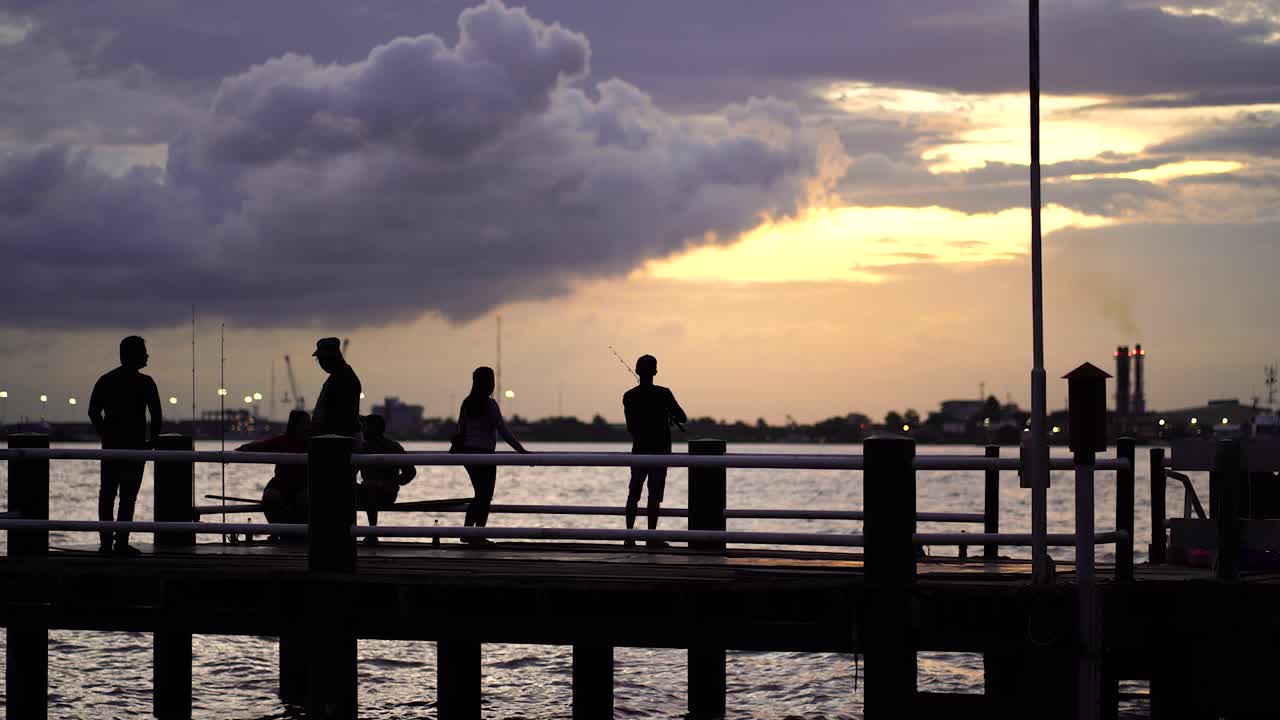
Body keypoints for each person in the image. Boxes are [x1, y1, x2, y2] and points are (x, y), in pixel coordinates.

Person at [87, 336, 163, 555]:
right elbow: (156, 416)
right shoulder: (146, 383)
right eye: (143, 351)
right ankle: (121, 542)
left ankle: (105, 543)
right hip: (135, 447)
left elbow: (93, 411)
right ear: (133, 355)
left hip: (111, 447)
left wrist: (105, 434)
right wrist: (152, 441)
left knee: (107, 494)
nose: (147, 355)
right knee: (128, 496)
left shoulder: (106, 380)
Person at [456, 366, 528, 543]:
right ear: (490, 383)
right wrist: (521, 451)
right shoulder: (489, 404)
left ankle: (468, 533)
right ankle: (477, 534)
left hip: (467, 453)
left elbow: (461, 428)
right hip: (485, 454)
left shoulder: (467, 402)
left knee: (479, 494)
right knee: (485, 496)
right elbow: (503, 430)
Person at [623, 354, 686, 548]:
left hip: (639, 450)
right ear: (656, 372)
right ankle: (651, 536)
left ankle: (629, 536)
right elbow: (682, 417)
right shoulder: (664, 394)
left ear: (637, 371)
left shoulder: (629, 396)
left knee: (634, 493)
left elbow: (631, 428)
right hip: (660, 451)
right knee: (654, 495)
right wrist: (667, 414)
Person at [236, 410, 310, 538]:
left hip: (304, 485)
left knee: (305, 498)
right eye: (303, 423)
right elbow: (264, 446)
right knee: (271, 496)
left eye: (307, 423)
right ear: (294, 424)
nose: (306, 427)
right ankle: (278, 531)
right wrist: (246, 448)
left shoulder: (313, 443)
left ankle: (300, 533)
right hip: (282, 484)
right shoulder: (282, 441)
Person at [356, 414, 416, 544]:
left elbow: (410, 472)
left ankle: (372, 533)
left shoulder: (392, 447)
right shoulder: (362, 448)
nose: (363, 430)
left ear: (374, 429)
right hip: (367, 491)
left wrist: (391, 482)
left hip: (386, 493)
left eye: (365, 427)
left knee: (370, 492)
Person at [310, 337, 363, 441]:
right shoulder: (339, 377)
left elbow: (341, 418)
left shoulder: (342, 379)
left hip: (337, 442)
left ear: (330, 358)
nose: (320, 364)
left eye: (320, 359)